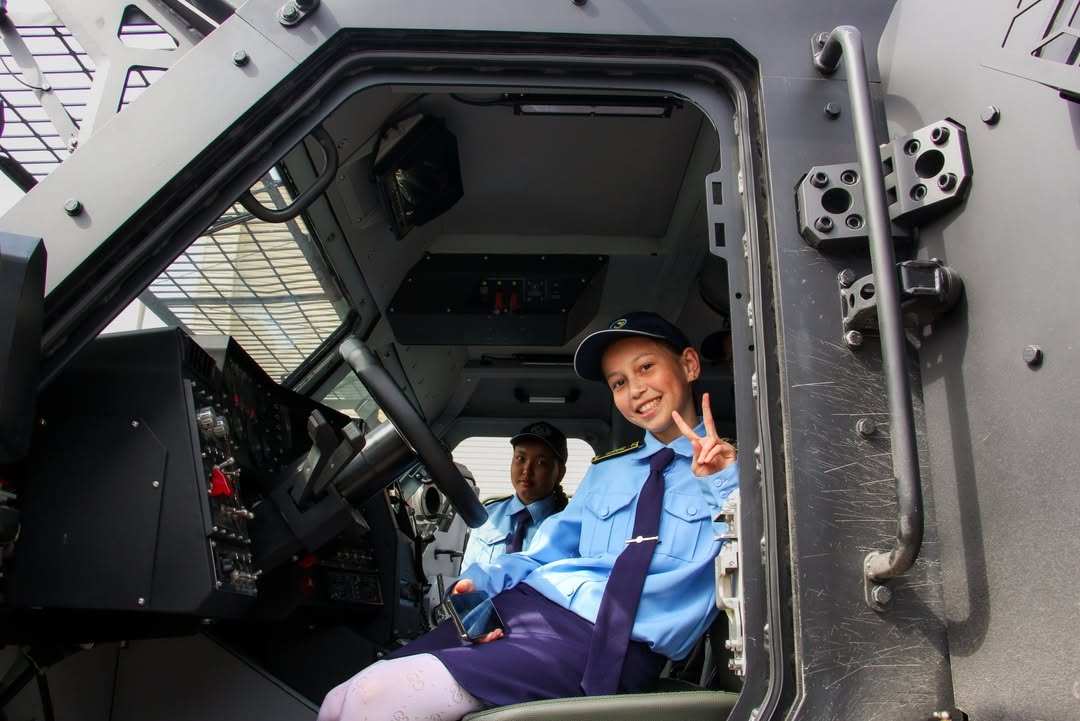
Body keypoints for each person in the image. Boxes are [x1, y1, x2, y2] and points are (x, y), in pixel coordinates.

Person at [317, 311, 739, 721]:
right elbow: (543, 554)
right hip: (523, 607)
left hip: (605, 640)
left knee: (373, 698)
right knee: (338, 699)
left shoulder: (743, 474)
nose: (636, 389)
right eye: (618, 382)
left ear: (689, 364)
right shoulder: (608, 471)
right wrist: (482, 582)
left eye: (646, 367)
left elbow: (759, 566)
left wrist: (722, 481)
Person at [460, 421, 570, 570]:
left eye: (540, 462)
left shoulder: (570, 525)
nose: (527, 470)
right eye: (520, 458)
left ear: (560, 473)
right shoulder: (487, 517)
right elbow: (467, 573)